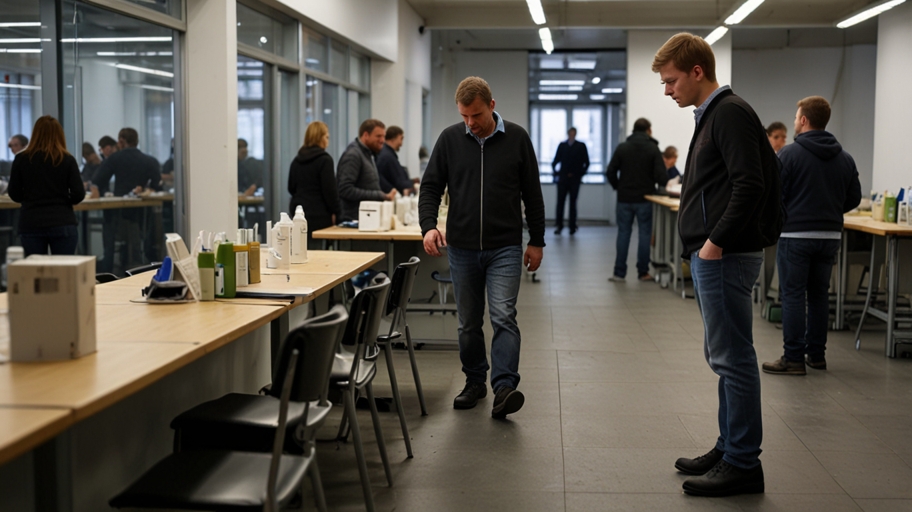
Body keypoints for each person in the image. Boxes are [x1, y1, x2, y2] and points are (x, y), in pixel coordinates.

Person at [653, 32, 782, 497]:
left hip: (723, 254)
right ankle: (730, 447)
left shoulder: (728, 113)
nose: (667, 90)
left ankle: (744, 462)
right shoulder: (712, 114)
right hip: (717, 252)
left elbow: (751, 186)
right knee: (724, 356)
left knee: (733, 357)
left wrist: (714, 243)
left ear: (696, 72)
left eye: (670, 81)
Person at [419, 76, 545, 419]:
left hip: (504, 245)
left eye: (476, 115)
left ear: (491, 105)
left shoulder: (517, 138)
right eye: (464, 117)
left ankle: (504, 387)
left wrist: (536, 240)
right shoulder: (449, 139)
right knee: (468, 322)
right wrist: (428, 226)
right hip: (461, 247)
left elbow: (532, 194)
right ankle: (474, 381)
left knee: (503, 315)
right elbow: (430, 188)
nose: (470, 123)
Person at [762, 97, 861, 376]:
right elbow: (853, 196)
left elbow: (775, 195)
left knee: (792, 295)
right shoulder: (845, 158)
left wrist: (789, 214)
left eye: (796, 118)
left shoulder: (789, 155)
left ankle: (793, 358)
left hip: (795, 235)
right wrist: (829, 210)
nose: (794, 122)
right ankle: (816, 355)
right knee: (819, 295)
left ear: (804, 120)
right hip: (830, 237)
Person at [7, 116, 84, 256]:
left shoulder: (21, 159)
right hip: (62, 220)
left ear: (35, 134)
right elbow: (78, 194)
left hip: (31, 221)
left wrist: (31, 198)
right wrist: (61, 200)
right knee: (63, 272)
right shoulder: (67, 159)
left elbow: (14, 194)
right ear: (60, 135)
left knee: (35, 273)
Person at [605, 118, 668, 282]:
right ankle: (643, 272)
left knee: (624, 233)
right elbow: (661, 177)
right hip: (645, 198)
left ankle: (619, 273)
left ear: (633, 130)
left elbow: (610, 171)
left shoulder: (622, 148)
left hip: (624, 198)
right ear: (648, 130)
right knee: (645, 234)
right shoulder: (653, 149)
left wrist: (618, 187)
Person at [93, 128, 162, 273]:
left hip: (116, 214)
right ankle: (139, 270)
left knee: (110, 246)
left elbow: (98, 180)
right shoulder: (149, 161)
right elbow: (156, 184)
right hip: (139, 215)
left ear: (121, 141)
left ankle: (108, 273)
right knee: (137, 242)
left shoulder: (115, 158)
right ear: (136, 141)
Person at [288, 121, 340, 246]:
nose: (328, 141)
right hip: (320, 216)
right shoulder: (325, 160)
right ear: (319, 138)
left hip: (298, 213)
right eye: (326, 137)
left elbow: (291, 187)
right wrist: (337, 212)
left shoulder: (296, 160)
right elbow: (330, 191)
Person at [337, 119, 396, 222]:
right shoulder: (353, 155)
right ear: (366, 135)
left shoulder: (367, 154)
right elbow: (345, 189)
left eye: (383, 136)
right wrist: (379, 195)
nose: (382, 140)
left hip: (366, 220)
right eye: (378, 136)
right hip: (353, 221)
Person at [551, 127, 590, 235]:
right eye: (570, 133)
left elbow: (586, 162)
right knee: (560, 203)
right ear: (568, 134)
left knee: (573, 203)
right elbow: (555, 161)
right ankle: (559, 225)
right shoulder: (562, 146)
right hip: (563, 179)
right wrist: (557, 173)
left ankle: (572, 226)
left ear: (575, 134)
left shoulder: (581, 146)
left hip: (574, 180)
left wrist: (579, 174)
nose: (572, 135)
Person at [376, 126, 418, 196]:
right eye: (401, 139)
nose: (401, 144)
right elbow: (399, 183)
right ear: (393, 139)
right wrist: (412, 183)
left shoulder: (385, 154)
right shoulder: (388, 157)